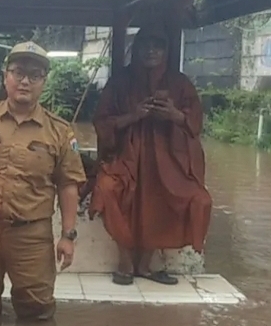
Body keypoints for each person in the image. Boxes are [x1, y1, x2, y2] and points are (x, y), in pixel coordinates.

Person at [0, 41, 86, 321]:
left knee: (36, 311)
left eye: (35, 75)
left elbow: (68, 184)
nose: (25, 81)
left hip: (31, 237)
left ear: (44, 82)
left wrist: (68, 235)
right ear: (5, 76)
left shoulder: (58, 130)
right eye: (18, 72)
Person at [89, 25, 212, 286]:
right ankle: (125, 259)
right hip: (125, 158)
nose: (151, 51)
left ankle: (145, 264)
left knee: (192, 197)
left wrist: (174, 115)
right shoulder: (119, 81)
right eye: (145, 45)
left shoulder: (179, 83)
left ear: (166, 51)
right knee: (108, 189)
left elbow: (195, 123)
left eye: (158, 46)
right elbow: (101, 122)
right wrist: (133, 115)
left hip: (167, 158)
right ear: (136, 50)